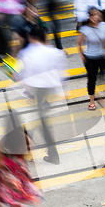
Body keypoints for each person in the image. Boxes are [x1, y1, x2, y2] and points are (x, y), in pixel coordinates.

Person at [18, 24, 66, 165]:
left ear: (29, 36)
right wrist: (61, 91)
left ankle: (46, 154)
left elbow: (20, 74)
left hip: (36, 91)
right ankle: (49, 154)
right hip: (49, 90)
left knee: (38, 123)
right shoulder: (53, 52)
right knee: (40, 121)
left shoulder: (26, 53)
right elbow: (60, 71)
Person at [77, 7, 105, 111]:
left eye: (98, 15)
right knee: (92, 80)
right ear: (89, 17)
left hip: (101, 56)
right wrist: (83, 57)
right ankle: (92, 101)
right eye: (94, 15)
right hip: (90, 58)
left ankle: (98, 93)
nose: (97, 17)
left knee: (104, 74)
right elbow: (78, 44)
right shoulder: (85, 30)